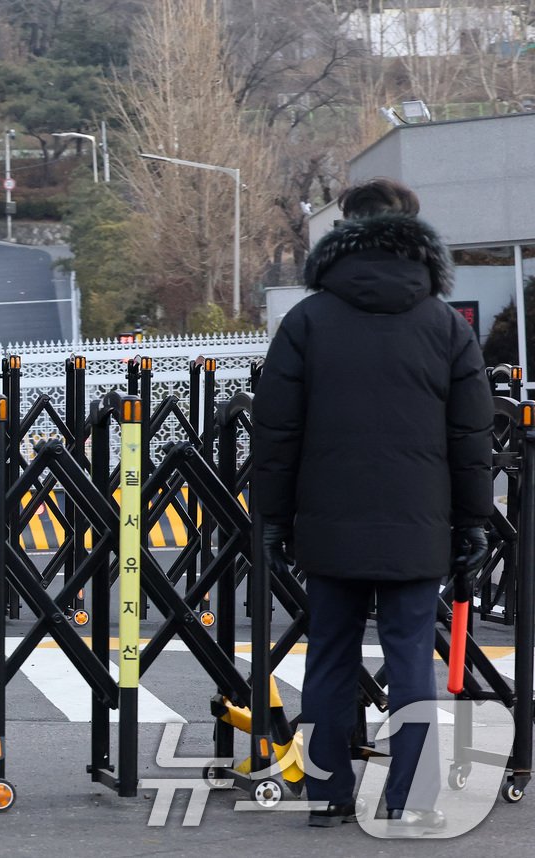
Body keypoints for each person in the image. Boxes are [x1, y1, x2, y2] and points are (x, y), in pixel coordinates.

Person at [252, 177, 492, 833]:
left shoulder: (307, 321)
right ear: (417, 236)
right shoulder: (445, 325)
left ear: (343, 234)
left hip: (327, 519)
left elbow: (277, 433)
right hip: (419, 521)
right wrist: (472, 520)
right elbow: (471, 437)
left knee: (330, 652)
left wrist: (271, 519)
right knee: (412, 653)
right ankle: (410, 795)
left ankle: (327, 794)